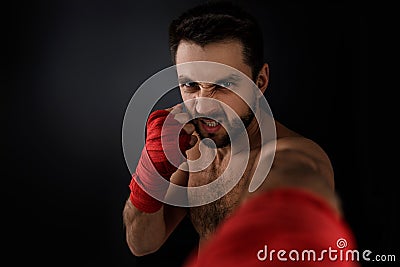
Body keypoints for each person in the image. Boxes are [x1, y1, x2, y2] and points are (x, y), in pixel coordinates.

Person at [123, 1, 360, 266]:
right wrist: (151, 169)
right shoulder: (193, 149)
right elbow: (142, 243)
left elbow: (300, 193)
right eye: (190, 84)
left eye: (223, 85)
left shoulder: (294, 158)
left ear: (260, 81)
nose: (203, 105)